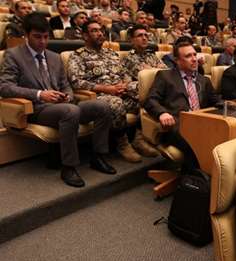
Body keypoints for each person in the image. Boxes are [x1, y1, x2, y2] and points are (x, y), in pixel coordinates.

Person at [0, 12, 115, 187]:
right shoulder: (13, 55)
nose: (43, 42)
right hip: (35, 108)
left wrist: (67, 95)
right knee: (71, 111)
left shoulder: (54, 56)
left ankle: (98, 156)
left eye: (46, 37)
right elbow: (5, 88)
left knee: (102, 107)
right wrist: (40, 94)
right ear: (26, 34)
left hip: (62, 105)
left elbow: (65, 84)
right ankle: (68, 167)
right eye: (37, 37)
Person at [68, 20, 150, 163]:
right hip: (97, 97)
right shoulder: (77, 56)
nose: (100, 33)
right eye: (94, 31)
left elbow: (124, 73)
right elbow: (76, 82)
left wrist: (124, 85)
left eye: (101, 30)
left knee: (145, 92)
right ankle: (123, 143)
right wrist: (107, 89)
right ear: (85, 36)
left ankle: (139, 137)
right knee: (116, 103)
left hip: (119, 90)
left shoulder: (111, 53)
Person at [143, 39, 221, 171]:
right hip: (177, 125)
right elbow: (150, 100)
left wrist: (229, 105)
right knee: (198, 142)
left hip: (202, 122)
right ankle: (197, 177)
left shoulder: (204, 80)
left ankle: (208, 174)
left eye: (194, 55)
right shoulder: (165, 76)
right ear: (177, 61)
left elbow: (216, 101)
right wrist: (162, 113)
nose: (194, 59)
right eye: (188, 56)